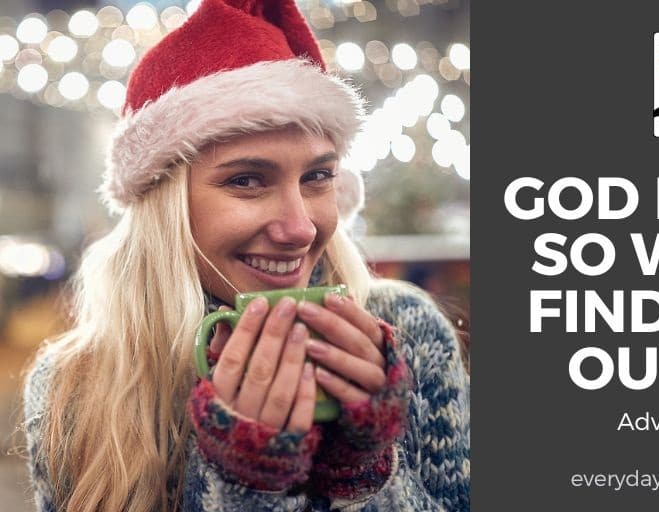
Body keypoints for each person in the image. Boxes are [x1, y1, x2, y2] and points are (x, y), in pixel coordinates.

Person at [20, 0, 470, 510]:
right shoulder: (74, 383)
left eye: (318, 176)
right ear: (166, 207)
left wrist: (360, 477)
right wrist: (247, 485)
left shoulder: (407, 335)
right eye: (247, 180)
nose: (300, 228)